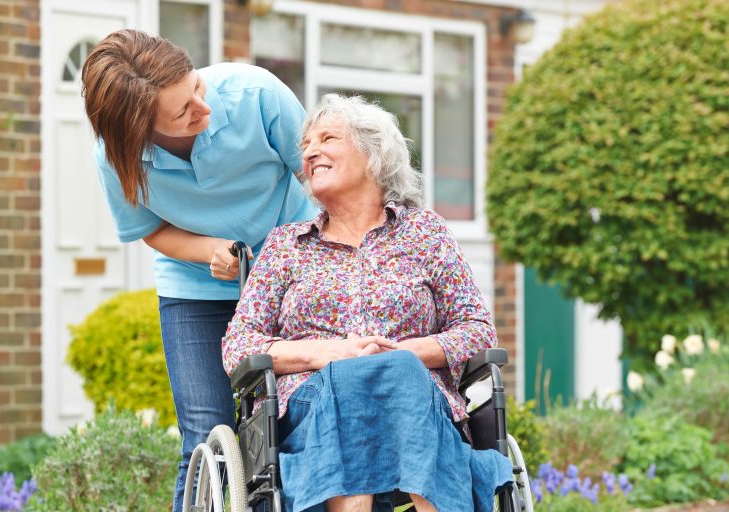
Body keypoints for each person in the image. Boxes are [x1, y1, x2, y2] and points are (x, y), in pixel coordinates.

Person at [223, 94, 513, 512]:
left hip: (415, 402)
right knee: (352, 376)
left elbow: (476, 330)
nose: (309, 151)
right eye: (306, 144)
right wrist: (331, 354)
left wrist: (405, 353)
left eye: (327, 138)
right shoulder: (286, 246)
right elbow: (237, 346)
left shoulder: (424, 234)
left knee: (390, 370)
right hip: (313, 403)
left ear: (373, 153)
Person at [81, 29, 319, 512]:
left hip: (292, 281)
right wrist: (209, 248)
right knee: (207, 438)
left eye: (196, 89)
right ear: (139, 131)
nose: (202, 111)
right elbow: (150, 230)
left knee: (298, 420)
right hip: (195, 291)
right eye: (183, 113)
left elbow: (321, 177)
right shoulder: (117, 158)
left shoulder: (256, 94)